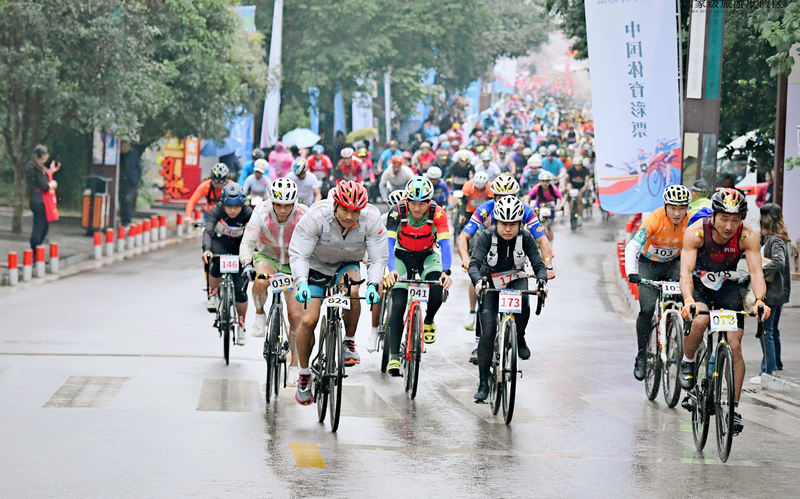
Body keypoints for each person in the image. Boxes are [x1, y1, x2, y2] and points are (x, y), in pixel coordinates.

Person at [679, 188, 771, 435]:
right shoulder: (696, 232)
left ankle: (733, 408)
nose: (730, 226)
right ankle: (688, 361)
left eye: (736, 219)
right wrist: (688, 299)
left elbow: (756, 272)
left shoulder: (747, 235)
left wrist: (760, 300)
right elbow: (686, 271)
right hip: (699, 285)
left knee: (734, 344)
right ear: (714, 215)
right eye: (724, 218)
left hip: (728, 286)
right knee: (700, 321)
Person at [289, 181, 387, 405]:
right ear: (335, 205)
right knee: (309, 320)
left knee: (353, 290)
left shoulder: (372, 219)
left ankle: (348, 342)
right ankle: (304, 374)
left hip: (347, 265)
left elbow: (378, 258)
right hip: (316, 267)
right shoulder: (317, 216)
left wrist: (373, 284)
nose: (350, 216)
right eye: (345, 209)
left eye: (355, 211)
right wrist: (301, 283)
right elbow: (299, 254)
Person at [458, 175, 552, 360]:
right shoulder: (485, 209)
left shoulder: (525, 210)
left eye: (509, 196)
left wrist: (547, 265)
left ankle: (519, 336)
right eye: (500, 197)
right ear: (493, 196)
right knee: (483, 299)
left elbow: (543, 240)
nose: (504, 200)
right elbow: (463, 237)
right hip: (489, 257)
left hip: (513, 263)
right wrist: (467, 259)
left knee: (523, 302)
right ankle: (478, 341)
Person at [468, 196, 548, 402]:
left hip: (515, 278)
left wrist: (542, 281)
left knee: (524, 304)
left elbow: (538, 264)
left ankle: (519, 336)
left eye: (513, 224)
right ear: (496, 222)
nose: (508, 229)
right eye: (504, 224)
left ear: (520, 224)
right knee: (487, 333)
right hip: (490, 281)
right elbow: (474, 264)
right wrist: (478, 281)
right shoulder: (486, 237)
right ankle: (484, 383)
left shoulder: (526, 238)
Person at [382, 177, 453, 375]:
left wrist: (446, 271)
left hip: (427, 255)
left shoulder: (438, 213)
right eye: (413, 202)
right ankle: (394, 357)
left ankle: (429, 320)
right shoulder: (396, 211)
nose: (417, 208)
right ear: (407, 200)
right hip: (401, 257)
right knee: (398, 304)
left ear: (429, 202)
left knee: (437, 288)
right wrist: (391, 269)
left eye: (422, 203)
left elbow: (446, 244)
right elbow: (389, 243)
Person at [239, 178, 307, 383]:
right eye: (278, 205)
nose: (283, 210)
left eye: (288, 205)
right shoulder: (260, 212)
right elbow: (247, 242)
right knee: (260, 281)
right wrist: (246, 263)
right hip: (267, 257)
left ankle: (295, 364)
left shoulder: (304, 214)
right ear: (271, 201)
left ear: (295, 203)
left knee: (295, 315)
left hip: (293, 263)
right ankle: (260, 313)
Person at [625, 185, 691, 380]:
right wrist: (631, 272)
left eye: (682, 208)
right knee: (646, 310)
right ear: (665, 206)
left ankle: (680, 343)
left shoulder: (691, 220)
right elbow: (633, 246)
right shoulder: (655, 218)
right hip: (649, 265)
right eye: (673, 208)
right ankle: (641, 355)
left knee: (687, 302)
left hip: (673, 264)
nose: (677, 213)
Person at [202, 183, 253, 344]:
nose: (232, 210)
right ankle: (212, 294)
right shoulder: (216, 211)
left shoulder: (248, 213)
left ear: (242, 205)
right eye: (229, 206)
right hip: (220, 243)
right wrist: (207, 250)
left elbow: (256, 235)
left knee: (240, 290)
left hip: (240, 246)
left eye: (236, 206)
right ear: (222, 204)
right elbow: (208, 231)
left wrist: (253, 256)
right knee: (216, 263)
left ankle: (241, 326)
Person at [752, 203, 791, 382]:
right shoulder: (780, 237)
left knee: (766, 331)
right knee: (772, 330)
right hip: (779, 292)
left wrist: (759, 271)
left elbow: (778, 261)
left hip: (772, 291)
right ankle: (775, 367)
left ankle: (768, 371)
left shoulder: (775, 239)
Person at [25, 145, 60, 251]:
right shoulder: (37, 168)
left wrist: (50, 171)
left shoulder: (30, 166)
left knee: (40, 225)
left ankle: (35, 250)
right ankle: (36, 251)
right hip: (41, 201)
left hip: (34, 199)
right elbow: (44, 186)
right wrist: (52, 184)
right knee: (41, 227)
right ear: (43, 156)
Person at [119, 141, 142, 227]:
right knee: (122, 202)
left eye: (126, 146)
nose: (124, 148)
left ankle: (127, 221)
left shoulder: (133, 155)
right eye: (122, 146)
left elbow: (138, 169)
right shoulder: (119, 156)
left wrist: (135, 179)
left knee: (128, 201)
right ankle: (123, 220)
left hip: (130, 183)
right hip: (121, 182)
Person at [566, 154, 591, 224]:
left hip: (581, 186)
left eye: (579, 165)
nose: (578, 167)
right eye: (576, 165)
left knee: (580, 199)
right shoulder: (571, 169)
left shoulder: (585, 170)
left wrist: (583, 189)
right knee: (568, 190)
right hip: (573, 185)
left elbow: (587, 181)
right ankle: (569, 203)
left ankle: (580, 214)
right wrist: (564, 187)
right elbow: (565, 178)